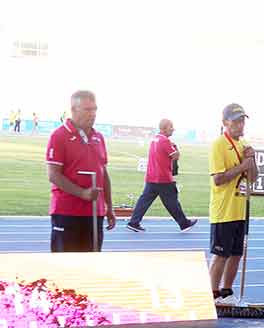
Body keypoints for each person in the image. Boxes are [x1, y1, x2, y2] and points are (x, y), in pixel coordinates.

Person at [46, 90, 116, 252]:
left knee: (91, 265)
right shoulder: (59, 136)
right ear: (74, 109)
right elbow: (53, 174)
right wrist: (82, 193)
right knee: (64, 264)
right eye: (87, 109)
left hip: (94, 213)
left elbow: (103, 173)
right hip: (67, 212)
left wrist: (109, 206)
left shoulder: (98, 137)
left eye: (94, 109)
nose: (92, 114)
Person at [208, 103, 258, 305]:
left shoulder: (244, 145)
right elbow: (218, 179)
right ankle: (212, 294)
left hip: (240, 208)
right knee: (220, 254)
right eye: (235, 120)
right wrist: (242, 166)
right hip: (224, 209)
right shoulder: (219, 144)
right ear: (225, 122)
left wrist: (252, 160)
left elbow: (253, 177)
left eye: (242, 120)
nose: (240, 124)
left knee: (236, 254)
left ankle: (227, 292)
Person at [126, 119, 197, 233]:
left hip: (151, 176)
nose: (173, 129)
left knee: (144, 200)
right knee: (172, 202)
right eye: (171, 127)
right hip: (163, 177)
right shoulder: (165, 141)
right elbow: (175, 156)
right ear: (164, 128)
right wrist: (176, 149)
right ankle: (184, 224)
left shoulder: (155, 139)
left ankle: (133, 222)